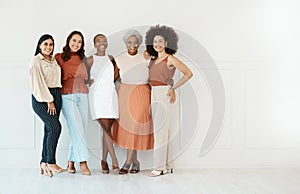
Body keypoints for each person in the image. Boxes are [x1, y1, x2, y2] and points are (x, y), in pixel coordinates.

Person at [145, 25, 193, 177]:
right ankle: (168, 164)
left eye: (161, 41)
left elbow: (188, 73)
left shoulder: (170, 58)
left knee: (160, 131)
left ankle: (159, 167)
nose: (158, 44)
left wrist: (173, 88)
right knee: (163, 130)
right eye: (155, 41)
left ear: (166, 43)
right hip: (153, 93)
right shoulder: (152, 60)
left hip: (164, 94)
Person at [112, 30, 154, 174]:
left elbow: (157, 71)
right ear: (125, 43)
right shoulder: (119, 58)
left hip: (142, 92)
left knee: (136, 125)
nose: (133, 45)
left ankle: (128, 162)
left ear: (139, 43)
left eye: (135, 42)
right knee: (128, 127)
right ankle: (135, 162)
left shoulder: (146, 56)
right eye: (129, 42)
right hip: (124, 93)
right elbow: (113, 78)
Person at [55, 31, 91, 175]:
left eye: (79, 42)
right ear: (68, 40)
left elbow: (87, 78)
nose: (76, 44)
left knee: (80, 130)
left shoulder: (84, 59)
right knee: (78, 129)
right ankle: (83, 162)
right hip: (67, 96)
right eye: (74, 40)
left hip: (83, 95)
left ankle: (70, 163)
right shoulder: (59, 57)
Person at [29, 34, 65, 177]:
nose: (48, 47)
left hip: (56, 94)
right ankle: (51, 161)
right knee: (56, 127)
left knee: (49, 129)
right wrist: (49, 100)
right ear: (39, 45)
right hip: (43, 98)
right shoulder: (36, 61)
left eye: (51, 44)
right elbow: (38, 84)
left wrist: (55, 98)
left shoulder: (53, 60)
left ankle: (44, 163)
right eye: (45, 44)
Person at [86, 34, 119, 174]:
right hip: (97, 97)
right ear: (94, 44)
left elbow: (116, 74)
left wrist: (107, 83)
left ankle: (104, 161)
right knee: (105, 128)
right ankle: (114, 160)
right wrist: (88, 82)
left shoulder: (111, 58)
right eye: (98, 41)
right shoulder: (90, 59)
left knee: (108, 129)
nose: (102, 43)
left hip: (110, 95)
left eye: (104, 40)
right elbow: (81, 76)